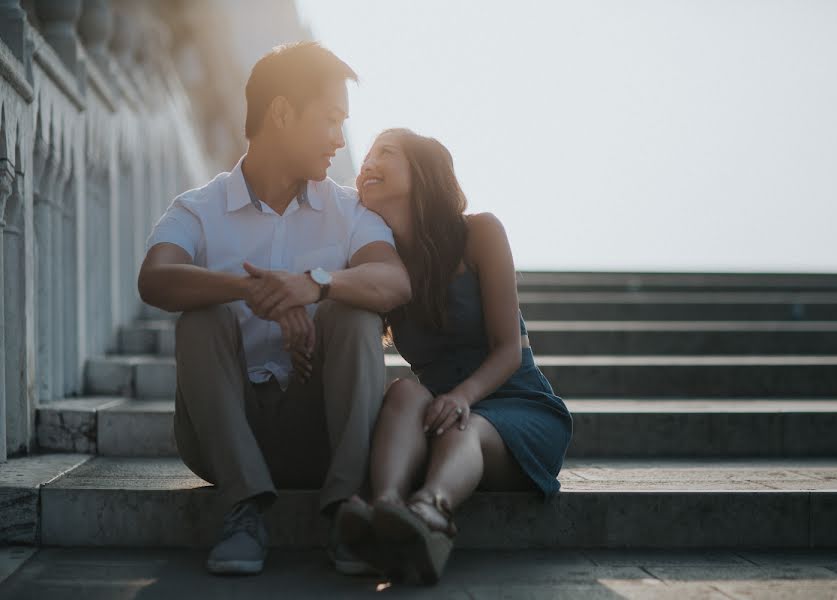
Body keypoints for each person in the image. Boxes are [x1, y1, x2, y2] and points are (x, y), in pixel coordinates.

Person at [137, 42, 411, 577]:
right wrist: (247, 291)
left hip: (322, 429)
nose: (339, 139)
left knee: (352, 314)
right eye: (330, 119)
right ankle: (243, 510)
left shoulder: (348, 211)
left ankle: (346, 511)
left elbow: (393, 279)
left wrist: (315, 286)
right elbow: (156, 279)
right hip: (222, 435)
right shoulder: (198, 208)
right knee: (203, 317)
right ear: (282, 112)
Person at [336, 128, 573, 584]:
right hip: (441, 414)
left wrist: (464, 395)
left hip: (514, 407)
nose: (367, 164)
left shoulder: (480, 232)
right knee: (404, 390)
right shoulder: (381, 266)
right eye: (365, 158)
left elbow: (508, 351)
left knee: (469, 424)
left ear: (423, 170)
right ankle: (385, 507)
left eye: (385, 153)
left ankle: (430, 511)